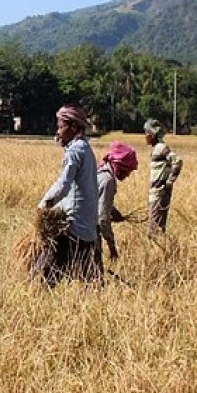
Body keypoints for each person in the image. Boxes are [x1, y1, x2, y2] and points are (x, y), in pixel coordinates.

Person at [34, 104, 100, 286]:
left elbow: (63, 185)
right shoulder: (85, 149)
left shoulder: (75, 152)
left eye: (61, 126)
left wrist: (44, 205)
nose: (58, 131)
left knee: (42, 278)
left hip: (72, 226)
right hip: (87, 228)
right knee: (87, 281)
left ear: (73, 127)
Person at [96, 142, 139, 271]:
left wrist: (113, 211)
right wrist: (112, 246)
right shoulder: (108, 180)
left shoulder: (100, 173)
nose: (127, 175)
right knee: (94, 274)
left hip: (77, 224)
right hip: (86, 229)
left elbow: (97, 200)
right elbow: (102, 218)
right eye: (127, 171)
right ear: (120, 166)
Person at [144, 119, 183, 236]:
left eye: (146, 133)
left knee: (154, 230)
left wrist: (170, 181)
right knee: (157, 228)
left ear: (152, 134)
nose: (145, 136)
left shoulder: (161, 148)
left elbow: (178, 161)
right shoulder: (157, 148)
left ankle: (157, 252)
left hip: (159, 194)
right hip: (157, 193)